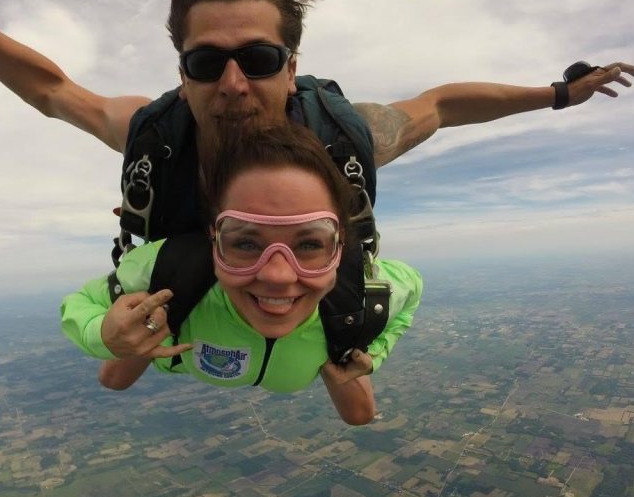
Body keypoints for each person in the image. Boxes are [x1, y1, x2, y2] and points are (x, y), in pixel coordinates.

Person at [0, 0, 634, 362]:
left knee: (349, 329)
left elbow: (442, 105)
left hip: (307, 279)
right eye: (206, 63)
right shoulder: (156, 137)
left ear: (292, 65)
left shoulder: (341, 135)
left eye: (258, 60)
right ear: (183, 72)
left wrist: (556, 94)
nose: (232, 85)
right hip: (191, 267)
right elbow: (51, 91)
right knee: (132, 332)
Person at [61, 120, 423, 425]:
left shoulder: (359, 290)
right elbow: (83, 302)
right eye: (246, 244)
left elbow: (412, 292)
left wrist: (371, 351)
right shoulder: (170, 268)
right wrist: (107, 336)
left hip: (319, 328)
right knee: (114, 378)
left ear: (341, 246)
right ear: (213, 241)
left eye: (310, 244)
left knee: (360, 416)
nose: (279, 275)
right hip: (178, 315)